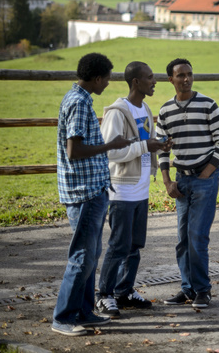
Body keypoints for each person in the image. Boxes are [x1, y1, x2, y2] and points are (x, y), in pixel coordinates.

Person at [52, 53, 131, 336]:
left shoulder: (80, 99)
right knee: (83, 256)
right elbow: (74, 151)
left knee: (91, 253)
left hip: (92, 189)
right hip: (83, 192)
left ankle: (84, 312)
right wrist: (110, 144)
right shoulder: (79, 103)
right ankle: (63, 317)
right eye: (107, 78)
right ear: (97, 78)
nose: (109, 82)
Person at [96, 62, 172, 318]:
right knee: (119, 245)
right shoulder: (118, 112)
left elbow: (144, 144)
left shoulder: (146, 108)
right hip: (121, 192)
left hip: (141, 191)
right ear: (135, 82)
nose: (154, 81)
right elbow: (111, 152)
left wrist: (160, 146)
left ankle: (124, 292)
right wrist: (145, 146)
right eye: (149, 78)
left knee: (134, 247)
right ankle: (103, 295)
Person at [156, 58, 219, 309]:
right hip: (180, 180)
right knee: (182, 239)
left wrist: (206, 173)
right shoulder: (165, 111)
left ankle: (203, 290)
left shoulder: (208, 104)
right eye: (180, 75)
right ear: (171, 79)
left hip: (204, 177)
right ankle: (187, 289)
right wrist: (167, 181)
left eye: (189, 74)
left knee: (197, 237)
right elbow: (162, 149)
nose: (186, 79)